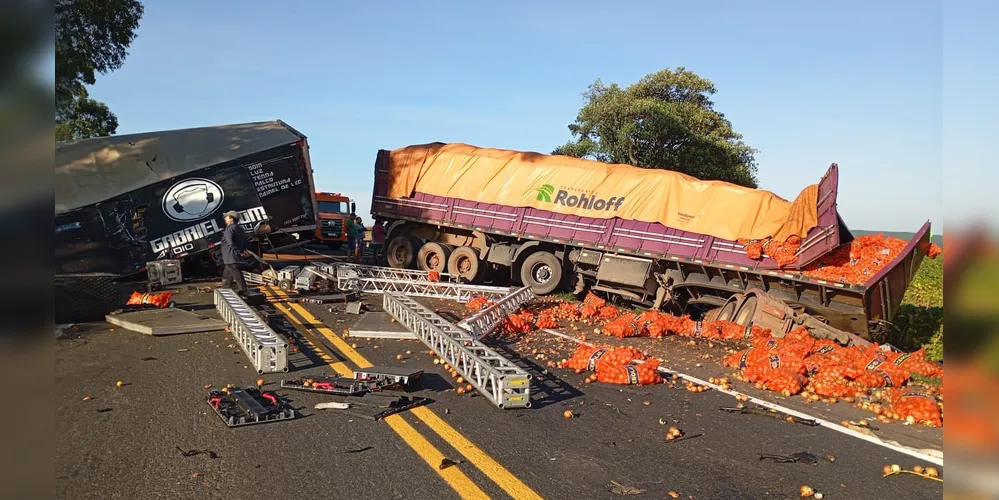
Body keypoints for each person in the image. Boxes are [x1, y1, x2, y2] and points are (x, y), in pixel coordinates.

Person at [220, 210, 250, 293]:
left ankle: (245, 293)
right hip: (233, 258)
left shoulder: (229, 229)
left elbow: (230, 242)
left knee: (238, 277)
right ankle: (225, 292)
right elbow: (245, 241)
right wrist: (242, 250)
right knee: (226, 276)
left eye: (227, 217)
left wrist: (238, 251)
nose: (225, 218)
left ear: (231, 219)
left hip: (231, 257)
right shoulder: (240, 228)